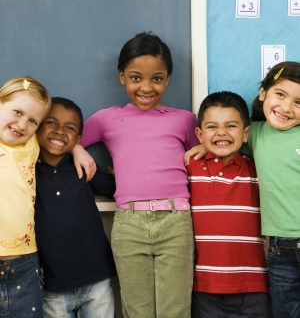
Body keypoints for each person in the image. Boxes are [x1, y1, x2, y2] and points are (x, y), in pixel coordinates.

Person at [75, 32, 199, 318]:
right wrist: (78, 151)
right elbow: (66, 139)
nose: (146, 87)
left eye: (157, 78)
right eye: (135, 77)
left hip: (176, 221)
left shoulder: (184, 120)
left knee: (175, 310)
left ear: (168, 79)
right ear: (122, 77)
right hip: (129, 224)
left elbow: (199, 161)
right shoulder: (108, 118)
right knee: (136, 310)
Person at [185, 61, 300, 318]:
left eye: (298, 102)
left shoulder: (259, 153)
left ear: (245, 132)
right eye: (280, 95)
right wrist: (206, 143)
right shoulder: (193, 165)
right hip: (212, 284)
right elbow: (224, 138)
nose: (286, 106)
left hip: (256, 283)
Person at [187, 91, 268, 318]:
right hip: (203, 288)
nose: (221, 132)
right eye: (212, 127)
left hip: (252, 288)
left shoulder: (259, 168)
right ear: (199, 134)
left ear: (246, 134)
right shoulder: (189, 168)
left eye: (231, 126)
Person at [34, 97, 116, 318]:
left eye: (69, 128)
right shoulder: (27, 169)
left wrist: (79, 151)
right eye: (51, 123)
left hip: (97, 277)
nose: (60, 131)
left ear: (78, 138)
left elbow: (114, 189)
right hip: (52, 285)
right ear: (37, 125)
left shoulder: (83, 165)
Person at [0, 76, 52, 318]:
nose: (22, 124)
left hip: (25, 262)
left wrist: (78, 149)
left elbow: (60, 137)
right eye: (17, 112)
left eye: (33, 121)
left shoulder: (31, 144)